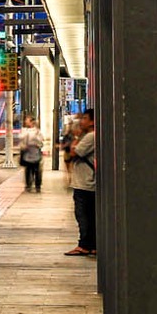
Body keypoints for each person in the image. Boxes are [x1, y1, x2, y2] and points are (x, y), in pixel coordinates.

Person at [65, 110, 97, 257]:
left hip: (85, 183)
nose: (81, 121)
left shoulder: (91, 136)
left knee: (83, 215)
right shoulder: (91, 135)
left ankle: (84, 245)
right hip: (87, 182)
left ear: (92, 121)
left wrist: (76, 137)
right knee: (89, 216)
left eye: (84, 118)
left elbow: (73, 153)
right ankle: (92, 244)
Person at [17, 115, 44, 192]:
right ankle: (28, 185)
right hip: (27, 154)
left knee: (37, 171)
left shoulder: (37, 131)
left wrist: (35, 141)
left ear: (32, 122)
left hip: (36, 154)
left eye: (27, 120)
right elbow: (21, 138)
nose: (26, 121)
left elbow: (41, 142)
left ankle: (37, 186)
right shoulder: (24, 130)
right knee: (28, 170)